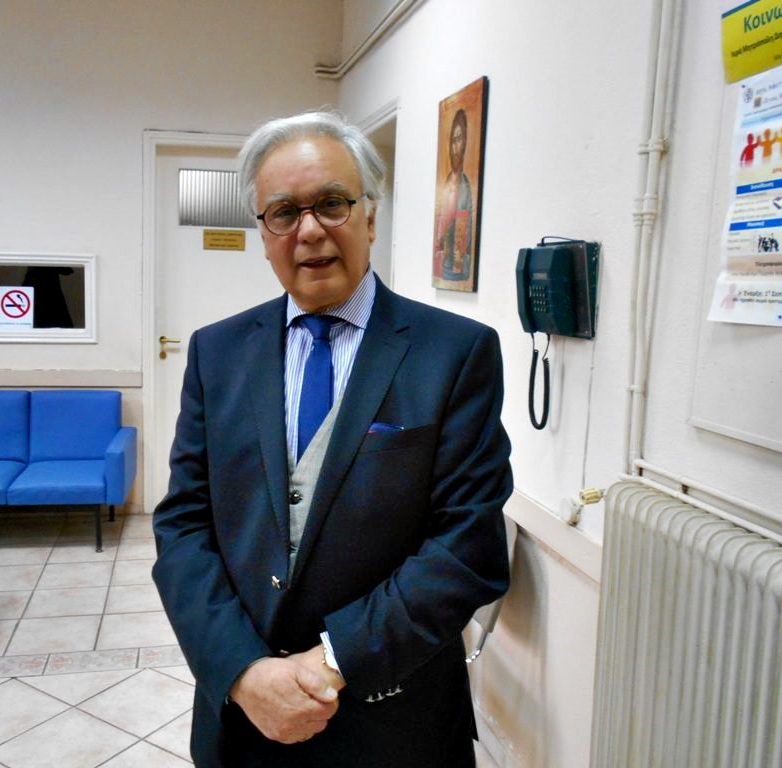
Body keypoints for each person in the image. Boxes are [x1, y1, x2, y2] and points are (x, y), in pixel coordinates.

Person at [152, 110, 512, 768]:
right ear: (264, 234)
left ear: (370, 216)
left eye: (332, 203)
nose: (310, 229)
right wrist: (243, 671)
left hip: (395, 726)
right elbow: (183, 525)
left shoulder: (455, 354)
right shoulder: (217, 354)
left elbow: (467, 547)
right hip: (244, 724)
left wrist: (332, 663)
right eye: (284, 212)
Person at [434, 108, 474, 283]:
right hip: (444, 265)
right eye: (453, 140)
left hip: (457, 269)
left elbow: (466, 234)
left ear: (465, 144)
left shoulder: (465, 186)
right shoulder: (445, 183)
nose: (455, 147)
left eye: (460, 139)